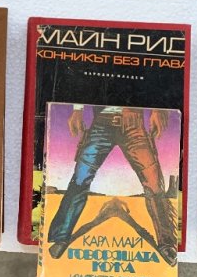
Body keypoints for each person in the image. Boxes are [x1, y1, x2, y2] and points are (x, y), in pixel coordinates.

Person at [46, 106, 177, 265]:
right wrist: (78, 110)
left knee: (154, 183)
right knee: (80, 179)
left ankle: (166, 242)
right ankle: (60, 237)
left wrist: (158, 109)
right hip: (101, 121)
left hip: (133, 122)